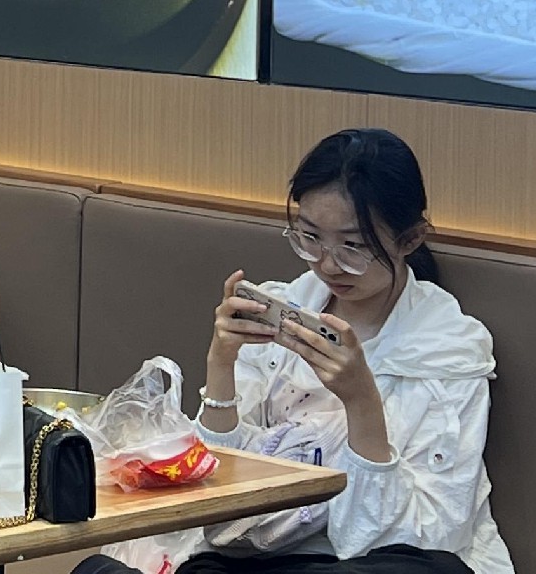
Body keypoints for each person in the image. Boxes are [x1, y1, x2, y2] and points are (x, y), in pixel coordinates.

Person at [78, 129, 511, 574]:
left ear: (410, 240)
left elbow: (424, 539)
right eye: (310, 237)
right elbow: (214, 502)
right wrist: (221, 364)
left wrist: (361, 401)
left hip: (366, 561)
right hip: (261, 553)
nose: (328, 264)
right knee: (97, 568)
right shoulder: (282, 313)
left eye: (354, 246)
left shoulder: (448, 349)